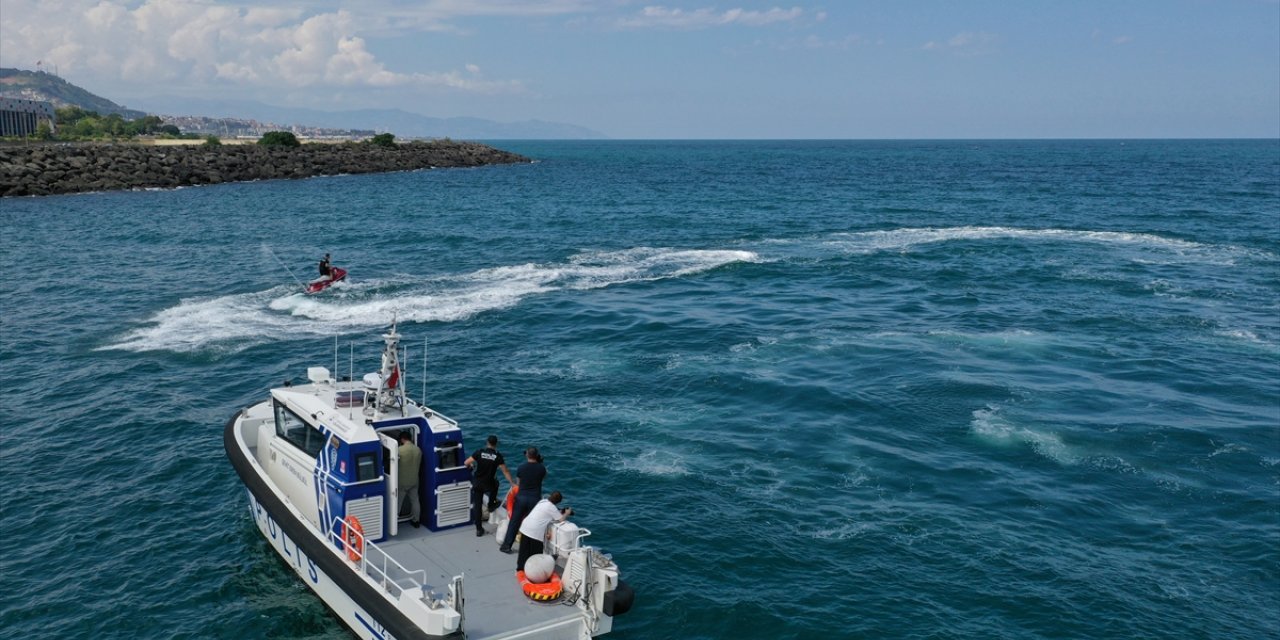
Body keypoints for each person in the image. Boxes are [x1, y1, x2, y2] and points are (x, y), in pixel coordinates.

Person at [499, 446, 545, 554]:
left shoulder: (521, 467)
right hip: (534, 499)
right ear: (537, 456)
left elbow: (518, 483)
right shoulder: (542, 468)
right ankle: (531, 549)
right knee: (532, 524)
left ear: (527, 455)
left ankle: (506, 546)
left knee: (514, 522)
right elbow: (543, 477)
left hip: (521, 498)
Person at [465, 435, 514, 537]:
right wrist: (512, 483)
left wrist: (471, 466)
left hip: (477, 483)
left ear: (487, 442)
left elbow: (467, 462)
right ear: (496, 444)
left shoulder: (479, 452)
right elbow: (505, 471)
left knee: (477, 506)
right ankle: (491, 504)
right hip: (489, 484)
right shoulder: (497, 456)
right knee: (496, 484)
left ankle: (479, 529)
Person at [516, 491, 571, 572]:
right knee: (536, 553)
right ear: (558, 502)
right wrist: (567, 513)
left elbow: (546, 513)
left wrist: (558, 511)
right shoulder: (552, 508)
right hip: (534, 532)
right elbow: (561, 519)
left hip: (525, 527)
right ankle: (535, 571)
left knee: (524, 550)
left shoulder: (543, 501)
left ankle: (520, 568)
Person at [397, 430, 422, 529]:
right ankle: (416, 521)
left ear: (402, 439)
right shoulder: (418, 450)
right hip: (414, 480)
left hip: (402, 481)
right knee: (415, 501)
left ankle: (394, 521)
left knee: (398, 502)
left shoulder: (399, 450)